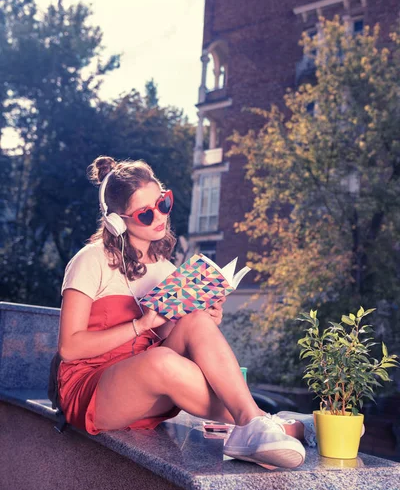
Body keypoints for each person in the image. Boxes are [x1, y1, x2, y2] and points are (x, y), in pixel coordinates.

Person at [55, 155, 307, 469]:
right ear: (118, 221)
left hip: (150, 382)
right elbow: (69, 348)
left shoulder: (165, 270)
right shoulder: (90, 260)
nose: (159, 217)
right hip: (92, 389)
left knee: (196, 321)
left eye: (163, 204)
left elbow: (171, 339)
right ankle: (272, 424)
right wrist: (140, 324)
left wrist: (206, 318)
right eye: (146, 214)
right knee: (160, 360)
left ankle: (252, 423)